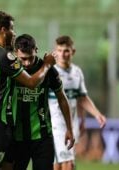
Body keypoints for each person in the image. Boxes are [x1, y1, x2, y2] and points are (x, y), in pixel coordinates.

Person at [0, 34, 75, 170]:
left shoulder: (48, 70)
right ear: (15, 53)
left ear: (36, 50)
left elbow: (62, 98)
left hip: (42, 136)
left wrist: (69, 128)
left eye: (30, 58)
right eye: (23, 59)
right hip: (15, 137)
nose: (27, 63)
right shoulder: (11, 69)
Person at [0, 11, 56, 170]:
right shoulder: (4, 56)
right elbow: (31, 82)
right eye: (12, 28)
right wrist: (47, 64)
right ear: (4, 30)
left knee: (5, 167)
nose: (14, 33)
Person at [48, 35, 107, 170]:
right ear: (55, 52)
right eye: (60, 50)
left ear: (73, 51)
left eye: (66, 50)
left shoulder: (77, 72)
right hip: (55, 124)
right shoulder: (51, 72)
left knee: (59, 164)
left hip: (72, 124)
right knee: (68, 163)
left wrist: (96, 115)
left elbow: (82, 98)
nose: (63, 54)